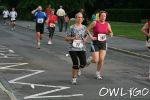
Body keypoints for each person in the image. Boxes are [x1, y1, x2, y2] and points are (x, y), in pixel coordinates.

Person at [87, 10, 113, 79]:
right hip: (95, 43)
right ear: (99, 16)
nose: (104, 17)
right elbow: (87, 29)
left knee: (101, 59)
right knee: (96, 60)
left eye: (105, 16)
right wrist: (91, 37)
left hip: (103, 43)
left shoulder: (107, 24)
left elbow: (110, 32)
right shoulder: (95, 23)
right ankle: (90, 59)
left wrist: (110, 34)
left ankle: (98, 73)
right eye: (102, 16)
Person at [64, 12, 89, 84]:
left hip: (81, 48)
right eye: (78, 17)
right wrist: (74, 38)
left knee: (83, 63)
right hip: (73, 48)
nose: (80, 19)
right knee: (75, 63)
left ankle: (79, 69)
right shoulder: (71, 27)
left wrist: (85, 40)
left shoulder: (84, 27)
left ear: (83, 19)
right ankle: (74, 79)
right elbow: (65, 38)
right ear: (75, 18)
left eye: (81, 17)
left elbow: (86, 36)